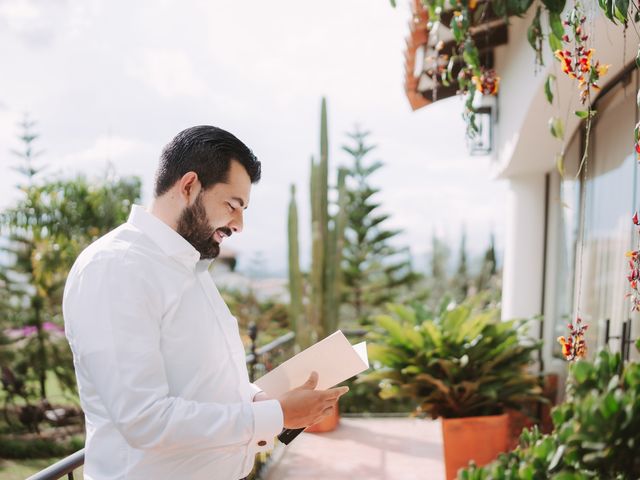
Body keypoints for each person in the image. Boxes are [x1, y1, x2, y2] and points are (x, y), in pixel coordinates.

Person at [63, 125, 349, 480]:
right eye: (232, 205)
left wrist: (259, 400)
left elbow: (200, 385)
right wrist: (277, 416)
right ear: (188, 186)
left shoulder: (189, 268)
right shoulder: (115, 268)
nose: (239, 224)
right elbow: (144, 420)